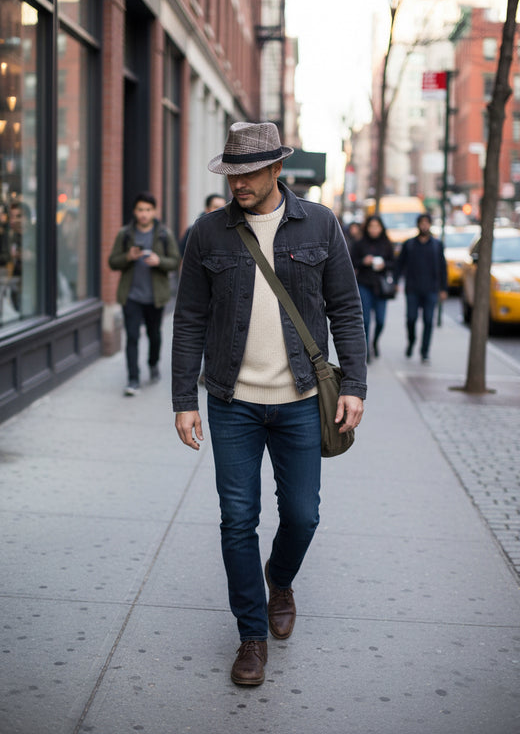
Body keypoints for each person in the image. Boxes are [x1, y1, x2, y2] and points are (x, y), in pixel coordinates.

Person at [172, 121, 367, 687]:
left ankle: (279, 580)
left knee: (303, 515)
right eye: (232, 173)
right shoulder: (207, 234)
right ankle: (251, 636)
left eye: (250, 172)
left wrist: (353, 384)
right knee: (238, 520)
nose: (239, 183)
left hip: (303, 400)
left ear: (278, 169)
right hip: (231, 402)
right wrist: (184, 399)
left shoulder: (320, 224)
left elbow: (346, 310)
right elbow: (188, 321)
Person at [109, 192, 180, 396]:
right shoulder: (125, 234)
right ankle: (133, 379)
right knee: (131, 337)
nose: (144, 214)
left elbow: (175, 261)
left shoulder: (164, 234)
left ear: (154, 211)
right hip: (131, 296)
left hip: (155, 297)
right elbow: (112, 262)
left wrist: (160, 262)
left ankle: (153, 363)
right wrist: (128, 257)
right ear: (134, 211)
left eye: (148, 210)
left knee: (154, 336)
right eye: (140, 210)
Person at [394, 212, 448, 363]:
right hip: (412, 289)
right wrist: (396, 282)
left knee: (429, 321)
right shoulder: (409, 244)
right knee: (411, 319)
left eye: (427, 223)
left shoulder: (437, 245)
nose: (424, 225)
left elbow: (443, 268)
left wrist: (444, 288)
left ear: (430, 225)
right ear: (418, 225)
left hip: (431, 289)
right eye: (421, 223)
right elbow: (399, 264)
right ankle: (411, 341)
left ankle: (424, 351)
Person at [350, 215, 395, 361]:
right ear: (367, 228)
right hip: (364, 284)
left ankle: (375, 342)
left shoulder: (387, 244)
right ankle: (367, 350)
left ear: (381, 228)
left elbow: (394, 264)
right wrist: (364, 261)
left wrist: (384, 265)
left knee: (381, 320)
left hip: (381, 287)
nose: (374, 229)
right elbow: (351, 262)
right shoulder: (360, 243)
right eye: (371, 226)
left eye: (377, 226)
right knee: (366, 320)